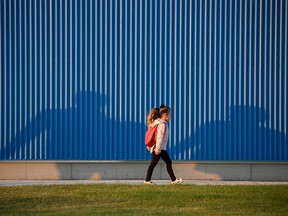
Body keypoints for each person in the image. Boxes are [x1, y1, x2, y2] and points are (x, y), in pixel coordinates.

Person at [144, 104, 183, 184]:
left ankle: (174, 180)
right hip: (159, 148)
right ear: (165, 115)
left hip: (159, 147)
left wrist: (150, 146)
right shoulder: (162, 124)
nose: (170, 117)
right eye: (169, 115)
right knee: (155, 163)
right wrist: (157, 149)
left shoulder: (156, 123)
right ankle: (147, 180)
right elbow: (159, 137)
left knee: (166, 162)